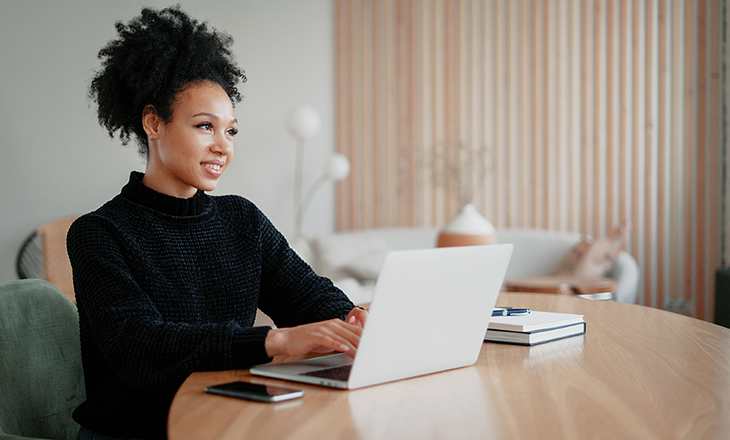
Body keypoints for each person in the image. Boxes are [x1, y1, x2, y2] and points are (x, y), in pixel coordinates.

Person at [67, 6, 367, 440]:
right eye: (205, 126)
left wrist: (354, 319)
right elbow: (139, 349)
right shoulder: (100, 233)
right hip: (136, 431)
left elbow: (307, 297)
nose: (222, 147)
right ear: (153, 122)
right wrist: (274, 341)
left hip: (227, 416)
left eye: (231, 132)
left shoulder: (241, 218)